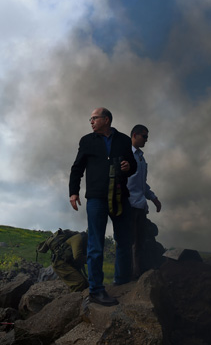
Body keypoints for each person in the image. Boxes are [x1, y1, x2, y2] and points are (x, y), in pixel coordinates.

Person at [69, 107, 137, 306]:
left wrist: (128, 167)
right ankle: (96, 290)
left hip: (120, 197)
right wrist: (74, 192)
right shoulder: (87, 141)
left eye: (94, 118)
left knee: (124, 240)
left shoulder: (124, 140)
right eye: (90, 118)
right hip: (97, 198)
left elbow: (132, 165)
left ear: (106, 120)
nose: (90, 121)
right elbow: (77, 167)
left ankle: (122, 281)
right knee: (95, 245)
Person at [128, 124, 162, 279]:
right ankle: (128, 278)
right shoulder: (125, 154)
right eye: (144, 136)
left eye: (147, 137)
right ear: (135, 135)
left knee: (140, 242)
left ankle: (138, 276)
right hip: (128, 205)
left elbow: (142, 184)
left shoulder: (141, 158)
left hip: (140, 205)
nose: (146, 140)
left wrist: (153, 198)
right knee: (130, 243)